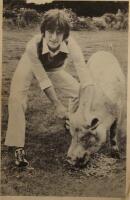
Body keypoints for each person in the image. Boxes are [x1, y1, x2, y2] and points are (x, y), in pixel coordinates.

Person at [5, 9, 94, 167]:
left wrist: (88, 101)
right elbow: (43, 79)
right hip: (29, 66)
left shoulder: (71, 45)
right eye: (50, 31)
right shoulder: (32, 46)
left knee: (79, 91)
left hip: (54, 69)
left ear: (65, 34)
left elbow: (84, 74)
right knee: (16, 99)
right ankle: (18, 146)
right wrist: (57, 105)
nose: (54, 37)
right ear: (43, 31)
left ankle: (71, 123)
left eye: (59, 33)